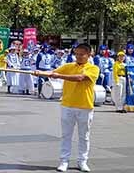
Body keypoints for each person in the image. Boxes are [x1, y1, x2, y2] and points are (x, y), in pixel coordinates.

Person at [35, 43, 99, 173]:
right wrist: (40, 73)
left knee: (84, 136)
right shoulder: (69, 66)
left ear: (88, 54)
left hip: (85, 106)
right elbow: (53, 72)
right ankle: (64, 160)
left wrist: (59, 76)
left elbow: (80, 78)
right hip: (67, 105)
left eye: (82, 54)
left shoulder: (93, 68)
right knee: (66, 135)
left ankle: (82, 161)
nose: (79, 57)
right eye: (76, 54)